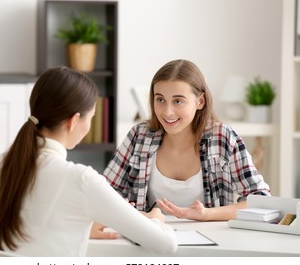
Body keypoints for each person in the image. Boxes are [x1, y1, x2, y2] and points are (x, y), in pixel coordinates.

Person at [0, 66, 177, 256]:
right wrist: (156, 220)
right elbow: (166, 244)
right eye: (91, 117)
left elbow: (25, 226)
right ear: (73, 121)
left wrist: (83, 225)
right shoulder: (81, 179)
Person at [102, 59, 271, 223]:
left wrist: (206, 214)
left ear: (200, 101)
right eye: (160, 100)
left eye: (178, 101)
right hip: (150, 240)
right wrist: (139, 215)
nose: (168, 112)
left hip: (212, 242)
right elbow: (103, 194)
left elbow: (260, 200)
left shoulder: (222, 137)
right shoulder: (139, 136)